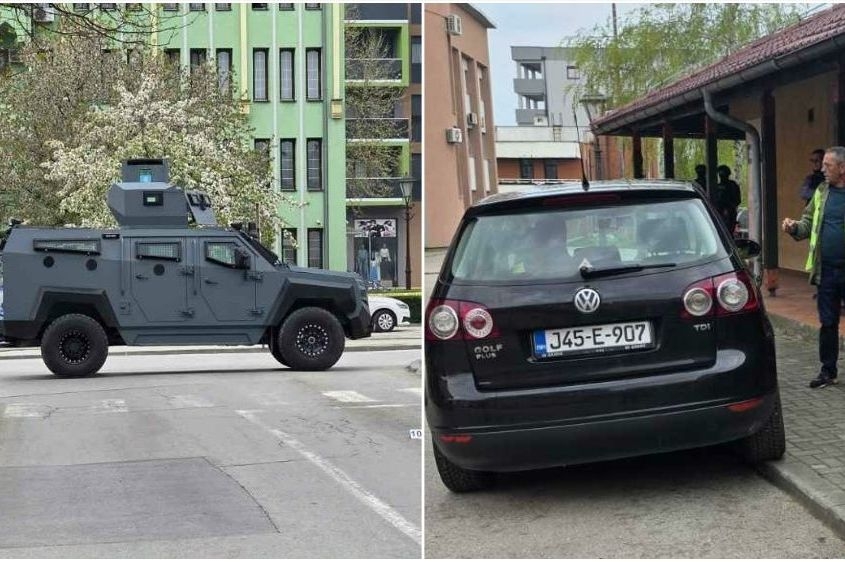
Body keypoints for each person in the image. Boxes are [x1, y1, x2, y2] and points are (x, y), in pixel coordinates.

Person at [782, 146, 845, 388]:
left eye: (828, 165)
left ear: (842, 168)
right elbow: (808, 221)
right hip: (826, 270)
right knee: (828, 322)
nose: (822, 169)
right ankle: (827, 372)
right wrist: (794, 227)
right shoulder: (821, 192)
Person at [713, 165, 741, 234]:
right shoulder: (718, 186)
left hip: (728, 213)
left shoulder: (732, 185)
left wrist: (729, 207)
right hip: (721, 213)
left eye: (723, 174)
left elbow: (737, 200)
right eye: (721, 174)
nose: (722, 176)